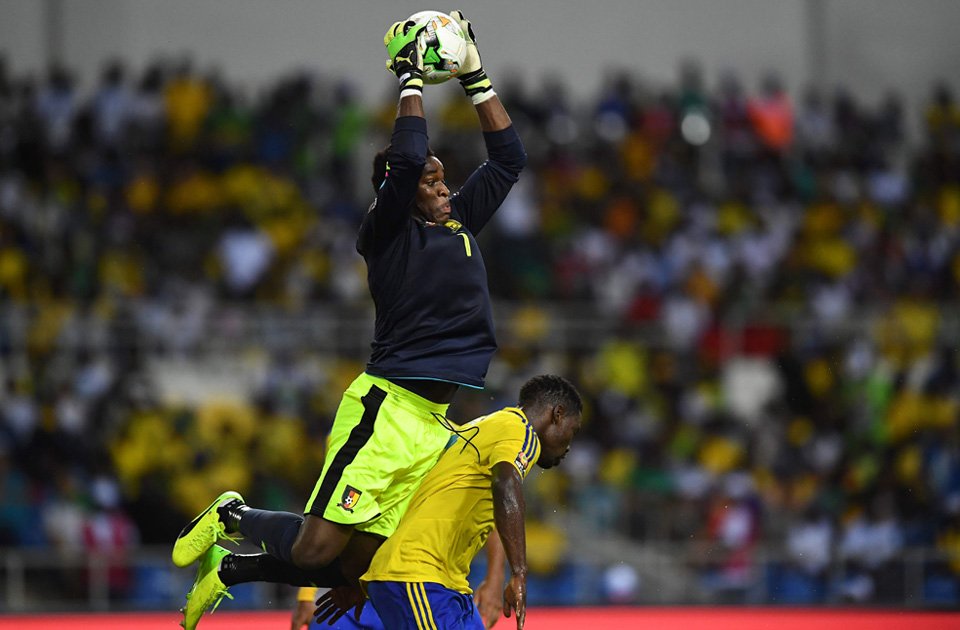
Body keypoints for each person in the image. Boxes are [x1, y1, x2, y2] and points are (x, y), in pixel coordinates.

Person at [171, 11, 526, 630]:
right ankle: (231, 517)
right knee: (315, 548)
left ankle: (228, 571)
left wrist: (474, 73)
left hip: (430, 424)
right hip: (385, 410)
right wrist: (410, 79)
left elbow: (509, 160)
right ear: (399, 187)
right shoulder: (384, 233)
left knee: (350, 568)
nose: (446, 187)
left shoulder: (458, 223)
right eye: (433, 180)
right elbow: (410, 154)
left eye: (445, 178)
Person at [314, 375, 583, 630]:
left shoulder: (480, 429)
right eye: (573, 430)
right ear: (557, 414)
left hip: (442, 584)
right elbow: (506, 486)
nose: (570, 444)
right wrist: (519, 573)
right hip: (419, 577)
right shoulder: (520, 430)